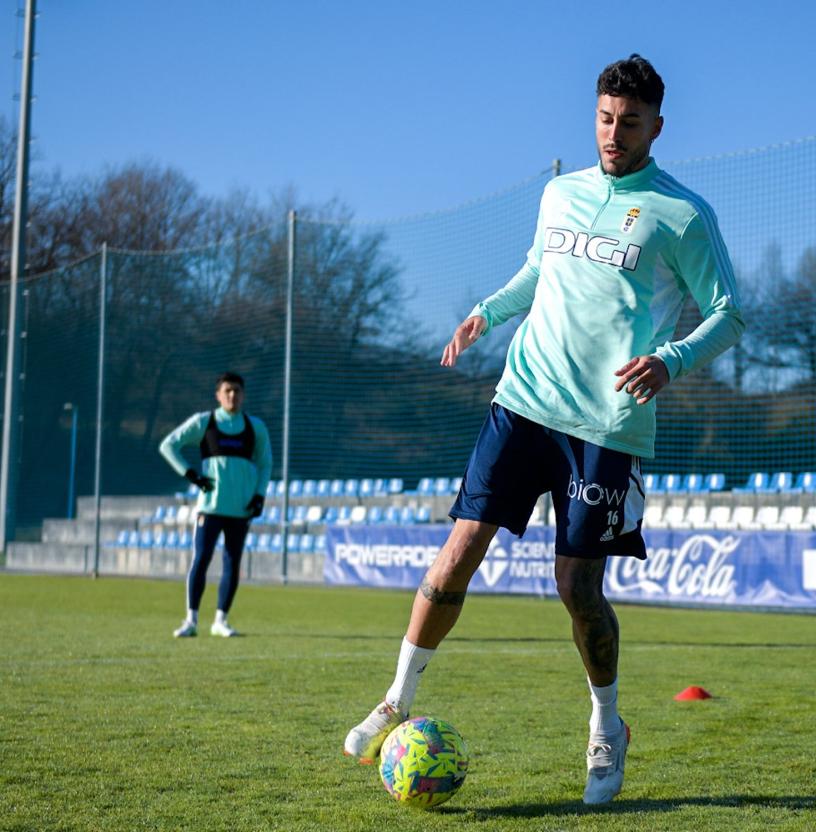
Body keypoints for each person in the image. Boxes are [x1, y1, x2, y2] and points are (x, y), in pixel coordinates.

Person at [343, 54, 745, 805]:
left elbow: (730, 311)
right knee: (457, 553)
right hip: (522, 399)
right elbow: (539, 269)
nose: (614, 134)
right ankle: (396, 698)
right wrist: (485, 313)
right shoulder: (561, 193)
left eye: (630, 123)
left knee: (576, 587)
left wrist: (671, 360)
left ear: (657, 127)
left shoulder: (682, 214)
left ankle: (607, 726)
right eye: (604, 118)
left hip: (605, 425)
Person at [159, 372, 272, 638]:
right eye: (227, 390)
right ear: (218, 395)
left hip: (241, 510)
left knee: (232, 563)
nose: (232, 395)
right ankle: (191, 620)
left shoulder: (255, 427)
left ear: (243, 395)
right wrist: (191, 474)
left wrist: (259, 495)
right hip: (209, 508)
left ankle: (220, 621)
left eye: (237, 391)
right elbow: (168, 445)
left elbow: (265, 463)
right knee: (201, 559)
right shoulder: (204, 422)